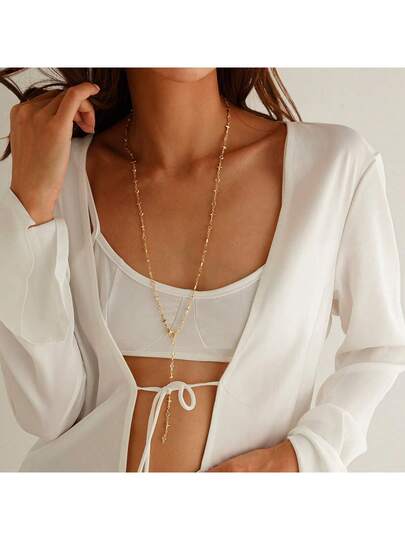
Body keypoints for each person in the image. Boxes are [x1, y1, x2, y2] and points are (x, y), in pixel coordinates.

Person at [1, 67, 405, 472]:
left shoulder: (334, 168)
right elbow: (48, 412)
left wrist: (302, 457)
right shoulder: (61, 172)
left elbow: (380, 347)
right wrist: (30, 207)